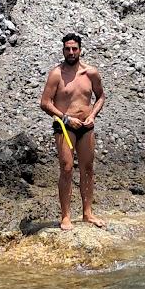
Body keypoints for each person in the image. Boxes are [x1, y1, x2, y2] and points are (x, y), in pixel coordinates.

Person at [39, 32, 105, 230]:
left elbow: (101, 96)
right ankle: (66, 216)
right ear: (63, 50)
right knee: (67, 169)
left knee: (87, 168)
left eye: (74, 49)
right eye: (67, 49)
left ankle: (87, 213)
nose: (71, 52)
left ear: (80, 50)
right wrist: (66, 117)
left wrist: (92, 115)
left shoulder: (90, 73)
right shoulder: (56, 74)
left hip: (86, 126)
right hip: (65, 126)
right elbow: (45, 103)